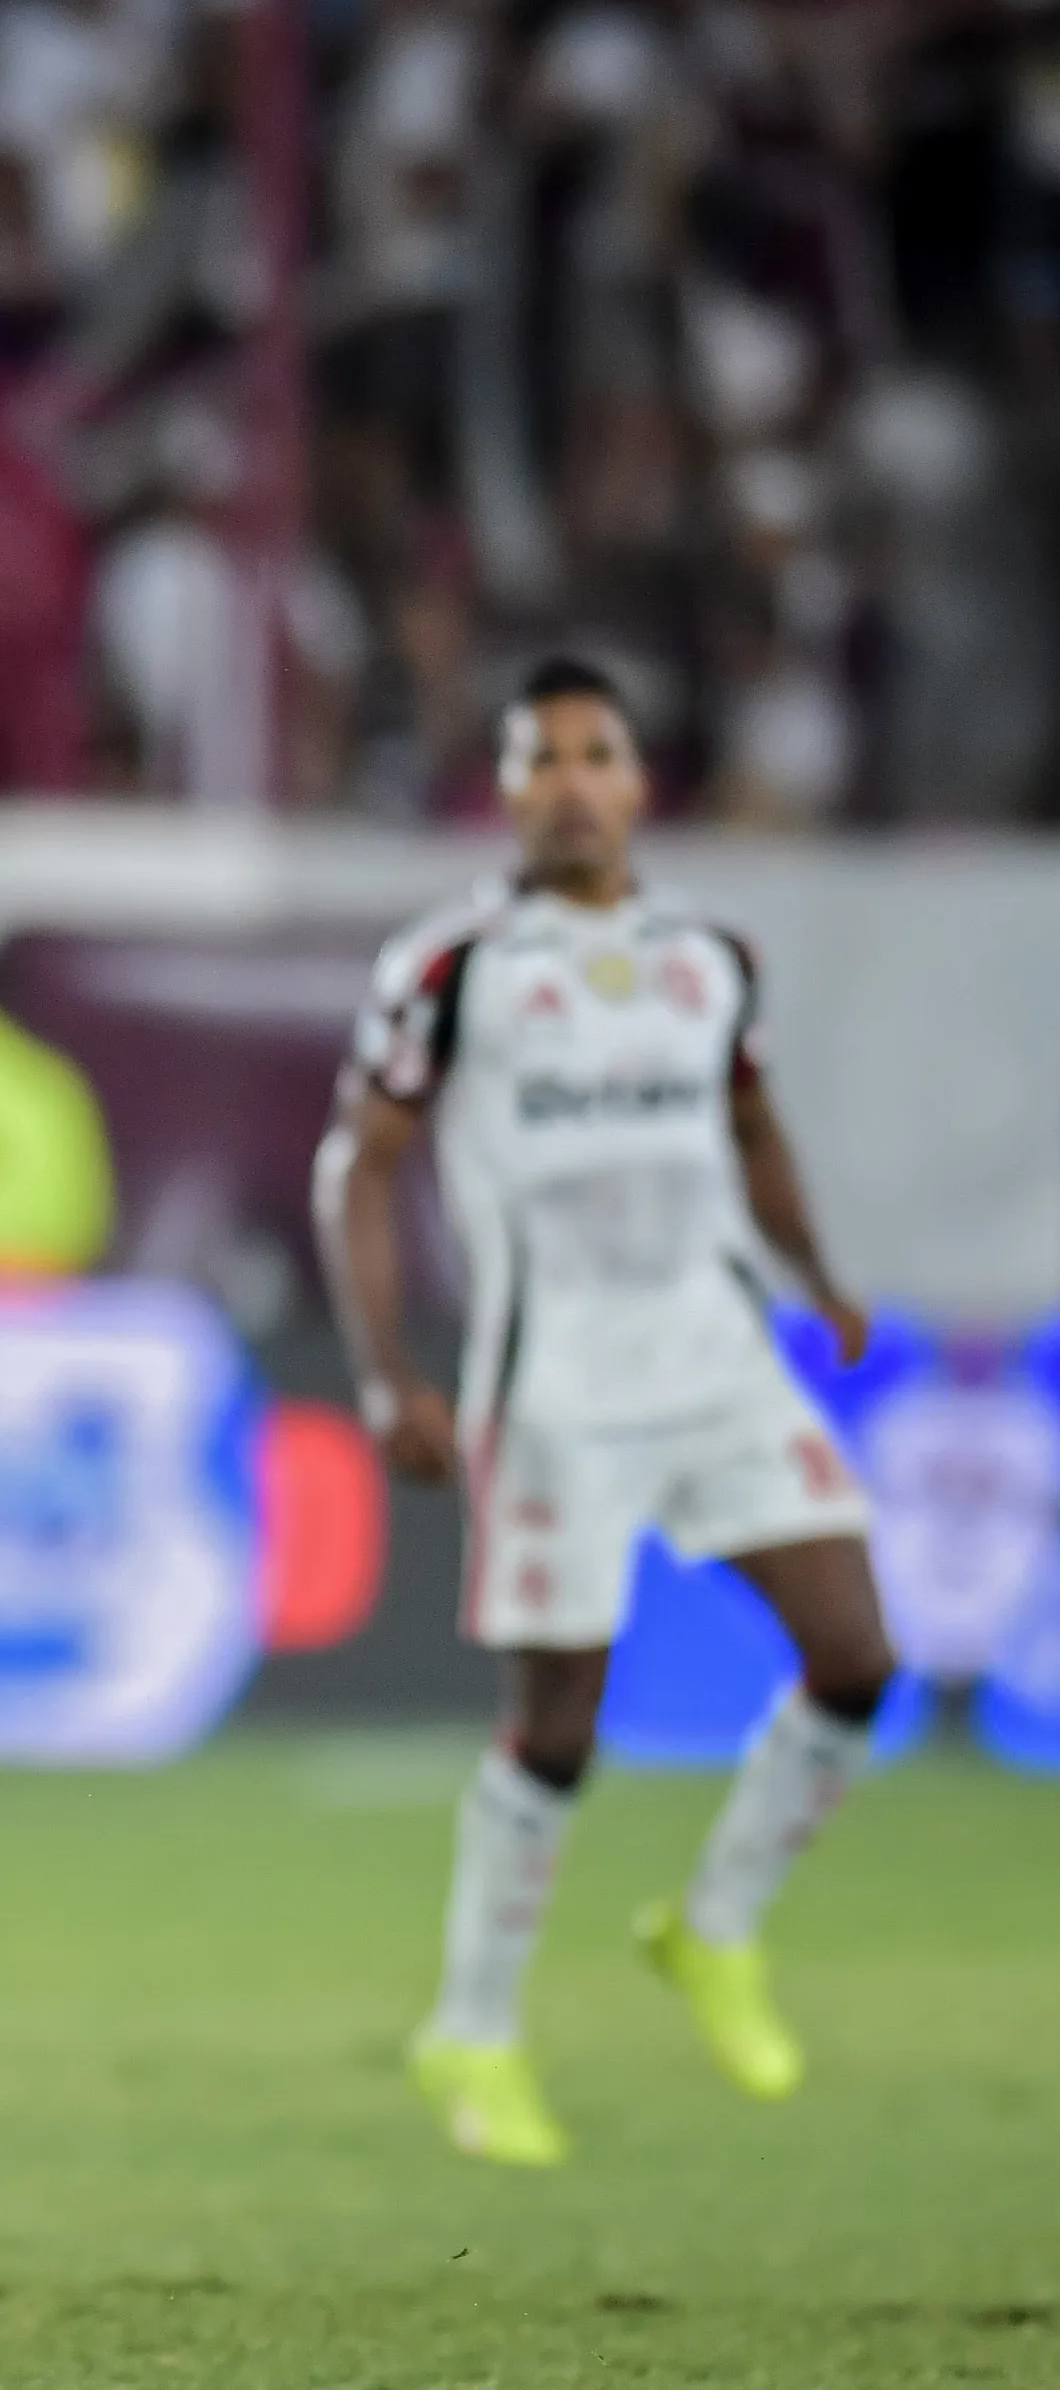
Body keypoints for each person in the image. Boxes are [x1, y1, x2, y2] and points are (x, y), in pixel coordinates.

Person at [313, 655, 897, 2168]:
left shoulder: (712, 958)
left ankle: (714, 1927)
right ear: (504, 791)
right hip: (552, 1380)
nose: (571, 781)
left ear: (641, 782)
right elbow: (359, 1166)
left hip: (713, 1351)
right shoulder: (453, 967)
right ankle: (477, 2026)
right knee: (558, 1723)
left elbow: (753, 1129)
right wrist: (387, 1371)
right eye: (539, 757)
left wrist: (819, 1275)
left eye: (597, 753)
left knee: (856, 1655)